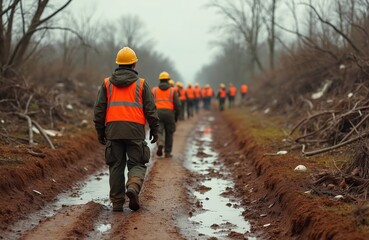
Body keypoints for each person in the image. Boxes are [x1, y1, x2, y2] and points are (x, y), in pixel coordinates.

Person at [93, 46, 159, 212]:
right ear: (134, 65)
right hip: (135, 130)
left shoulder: (107, 84)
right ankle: (133, 187)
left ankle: (117, 203)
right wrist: (155, 128)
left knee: (115, 165)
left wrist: (100, 131)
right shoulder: (142, 84)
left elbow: (99, 109)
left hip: (113, 130)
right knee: (137, 162)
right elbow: (150, 109)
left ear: (118, 64)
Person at [152, 71, 180, 158]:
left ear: (160, 80)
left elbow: (149, 103)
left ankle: (160, 143)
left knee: (158, 131)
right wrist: (176, 116)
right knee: (169, 133)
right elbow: (178, 105)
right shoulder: (173, 90)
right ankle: (167, 152)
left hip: (158, 113)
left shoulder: (154, 90)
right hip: (169, 114)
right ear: (168, 80)